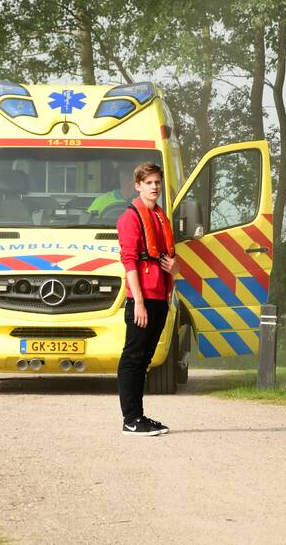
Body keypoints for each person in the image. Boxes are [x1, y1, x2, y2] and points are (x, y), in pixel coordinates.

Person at [116, 162, 180, 436]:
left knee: (144, 360)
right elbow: (129, 262)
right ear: (138, 185)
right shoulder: (130, 218)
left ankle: (139, 416)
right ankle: (130, 420)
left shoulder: (160, 217)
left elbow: (171, 262)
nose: (154, 187)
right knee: (133, 358)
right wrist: (138, 302)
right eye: (149, 182)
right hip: (142, 299)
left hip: (159, 298)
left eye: (157, 182)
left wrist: (174, 269)